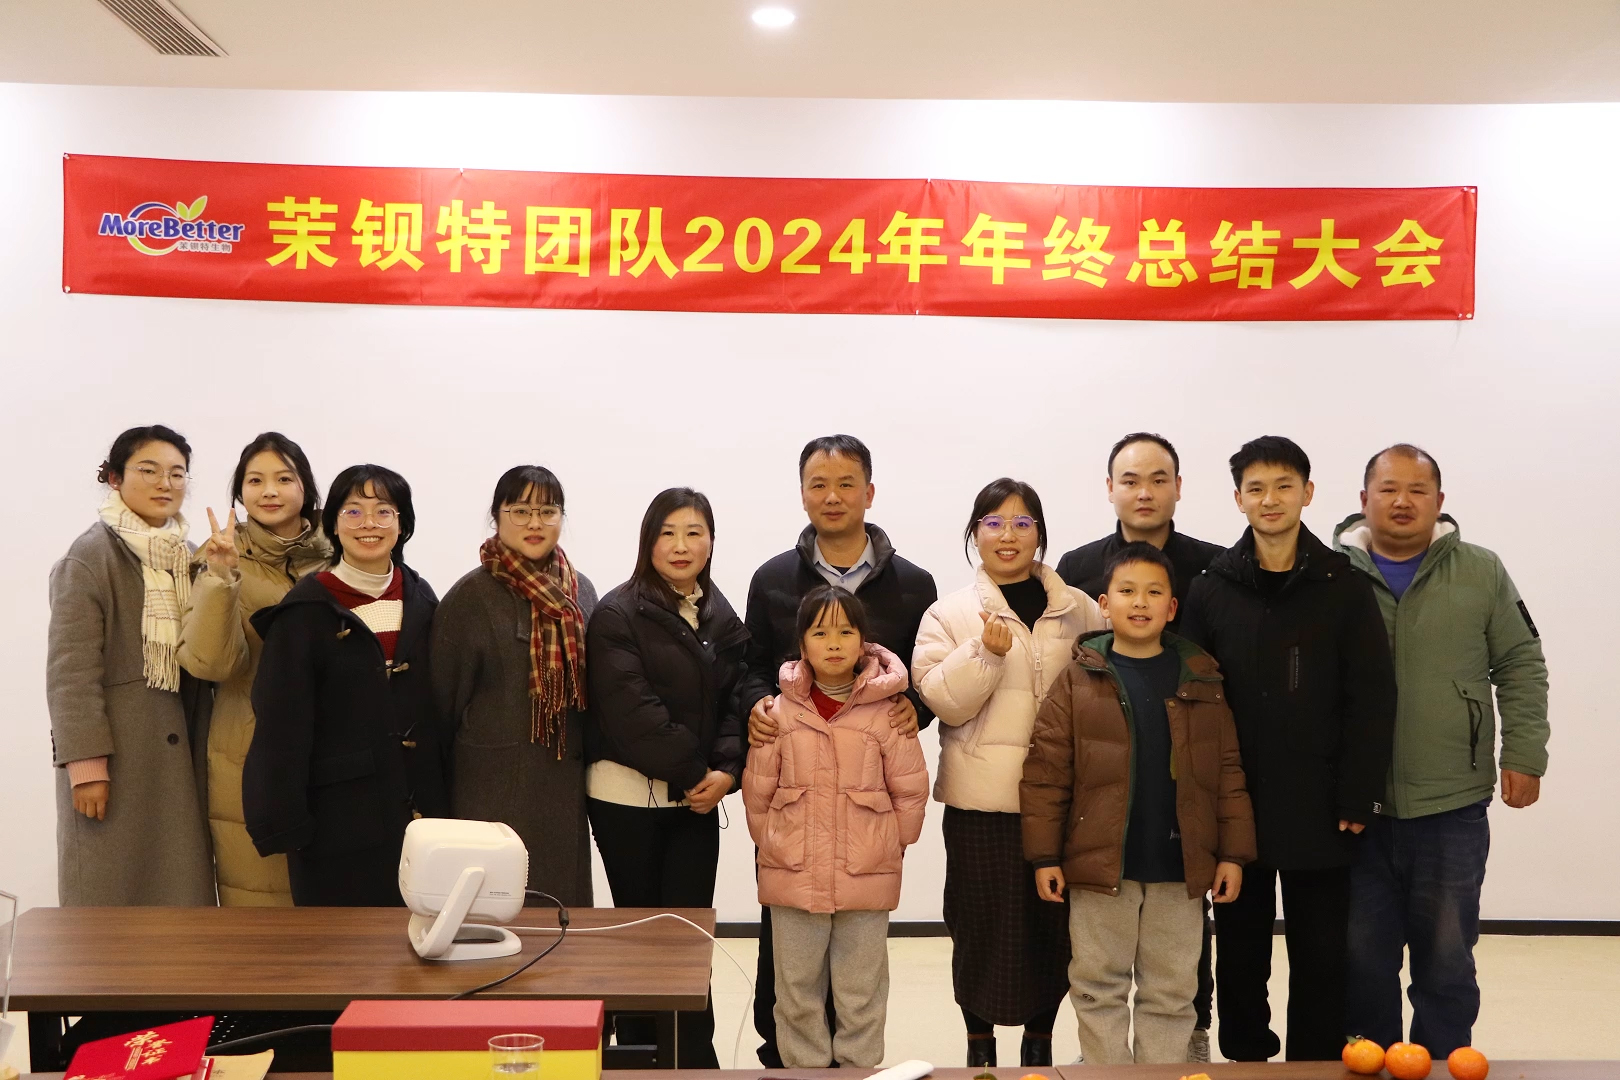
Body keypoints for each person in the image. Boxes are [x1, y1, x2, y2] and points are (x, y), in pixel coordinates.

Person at [1178, 436, 1396, 1062]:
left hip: (1322, 801)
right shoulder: (1211, 588)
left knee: (1322, 951)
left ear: (1308, 492)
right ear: (1238, 499)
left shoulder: (1343, 585)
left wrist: (1359, 791)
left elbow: (1371, 696)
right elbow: (1191, 701)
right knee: (1240, 950)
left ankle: (1314, 1065)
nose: (1270, 499)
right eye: (1256, 488)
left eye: (1283, 486)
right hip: (1236, 801)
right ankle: (1247, 1061)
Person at [1335, 445, 1549, 1058]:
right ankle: (1371, 1064)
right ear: (1364, 499)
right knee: (1361, 959)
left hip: (1451, 804)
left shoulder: (1480, 570)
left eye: (1417, 490)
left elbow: (1521, 664)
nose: (1402, 502)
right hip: (1355, 806)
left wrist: (1525, 754)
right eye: (1388, 489)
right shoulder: (1331, 573)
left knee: (1448, 959)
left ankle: (1444, 1064)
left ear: (1439, 501)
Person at [742, 434, 939, 1067]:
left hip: (863, 820)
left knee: (859, 975)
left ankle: (856, 1067)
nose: (832, 496)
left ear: (869, 492)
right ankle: (789, 1065)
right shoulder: (773, 579)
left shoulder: (913, 584)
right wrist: (758, 709)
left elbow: (923, 672)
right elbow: (751, 666)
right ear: (802, 494)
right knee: (789, 972)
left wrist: (920, 709)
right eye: (818, 484)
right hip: (796, 816)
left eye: (846, 483)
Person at [1022, 542, 1256, 1065]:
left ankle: (1160, 1075)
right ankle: (1108, 1076)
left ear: (1172, 607)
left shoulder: (1202, 677)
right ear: (1105, 604)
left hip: (1181, 866)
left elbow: (1227, 771)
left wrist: (1233, 854)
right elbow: (1045, 775)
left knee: (1171, 990)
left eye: (1154, 592)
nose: (1140, 602)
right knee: (1097, 986)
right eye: (1127, 591)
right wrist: (1045, 856)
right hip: (1100, 866)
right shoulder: (1078, 678)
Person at [911, 478, 1105, 1067]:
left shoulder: (1080, 609)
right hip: (982, 803)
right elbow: (943, 702)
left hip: (1062, 802)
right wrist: (986, 654)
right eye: (994, 522)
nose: (1008, 535)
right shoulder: (949, 613)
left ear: (1039, 534)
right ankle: (979, 1046)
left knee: (1054, 928)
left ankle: (1040, 1043)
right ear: (975, 534)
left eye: (1022, 523)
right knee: (978, 925)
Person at [1054, 431, 1225, 1059]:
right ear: (1110, 489)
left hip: (1187, 777)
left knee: (1177, 954)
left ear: (1179, 487)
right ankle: (1104, 1060)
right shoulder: (1076, 568)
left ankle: (1183, 1046)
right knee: (1099, 956)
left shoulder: (1213, 567)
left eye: (1159, 479)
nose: (1145, 491)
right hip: (1105, 789)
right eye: (1130, 480)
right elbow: (1068, 673)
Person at [585, 487, 749, 1068]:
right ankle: (636, 1059)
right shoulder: (617, 613)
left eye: (694, 533)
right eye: (668, 533)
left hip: (696, 800)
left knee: (688, 940)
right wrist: (701, 772)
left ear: (711, 541)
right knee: (639, 936)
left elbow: (738, 701)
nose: (681, 546)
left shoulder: (719, 612)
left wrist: (728, 771)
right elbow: (633, 713)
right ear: (648, 542)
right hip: (626, 800)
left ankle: (693, 1060)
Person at [243, 465, 449, 906]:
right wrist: (283, 820)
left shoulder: (424, 598)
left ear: (402, 524)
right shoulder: (305, 609)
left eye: (383, 511)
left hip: (425, 817)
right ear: (333, 525)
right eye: (353, 511)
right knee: (342, 944)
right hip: (337, 821)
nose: (368, 523)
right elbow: (280, 725)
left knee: (426, 937)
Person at [47, 424, 214, 906]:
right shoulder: (89, 557)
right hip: (119, 760)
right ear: (116, 478)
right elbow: (71, 674)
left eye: (177, 473)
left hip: (179, 755)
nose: (165, 483)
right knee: (110, 898)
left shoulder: (186, 556)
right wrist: (86, 766)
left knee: (181, 901)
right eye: (149, 470)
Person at [432, 466, 598, 906]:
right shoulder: (469, 597)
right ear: (497, 516)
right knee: (494, 914)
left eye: (547, 511)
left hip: (563, 786)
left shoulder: (581, 591)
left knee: (560, 918)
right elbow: (441, 709)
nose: (534, 523)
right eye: (520, 511)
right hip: (491, 793)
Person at [178, 433, 331, 907]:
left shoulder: (342, 551)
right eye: (255, 480)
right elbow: (211, 664)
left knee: (342, 919)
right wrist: (222, 578)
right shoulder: (218, 556)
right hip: (247, 751)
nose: (269, 491)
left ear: (306, 487)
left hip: (336, 750)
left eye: (283, 479)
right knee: (260, 916)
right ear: (240, 493)